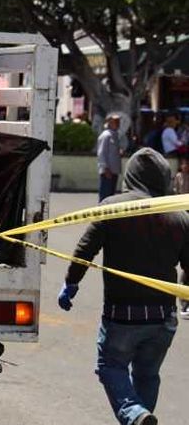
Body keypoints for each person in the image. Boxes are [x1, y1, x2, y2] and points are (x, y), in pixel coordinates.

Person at [58, 148, 188, 425]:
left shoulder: (113, 206)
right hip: (164, 319)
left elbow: (85, 250)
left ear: (131, 175)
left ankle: (136, 415)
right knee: (148, 375)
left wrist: (71, 283)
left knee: (110, 366)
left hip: (122, 316)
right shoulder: (179, 215)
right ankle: (141, 418)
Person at [97, 114, 123, 201]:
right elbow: (101, 153)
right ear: (109, 123)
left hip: (114, 170)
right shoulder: (106, 135)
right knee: (105, 195)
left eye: (118, 121)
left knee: (111, 195)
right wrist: (105, 168)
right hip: (108, 171)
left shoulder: (115, 135)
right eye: (115, 122)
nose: (118, 124)